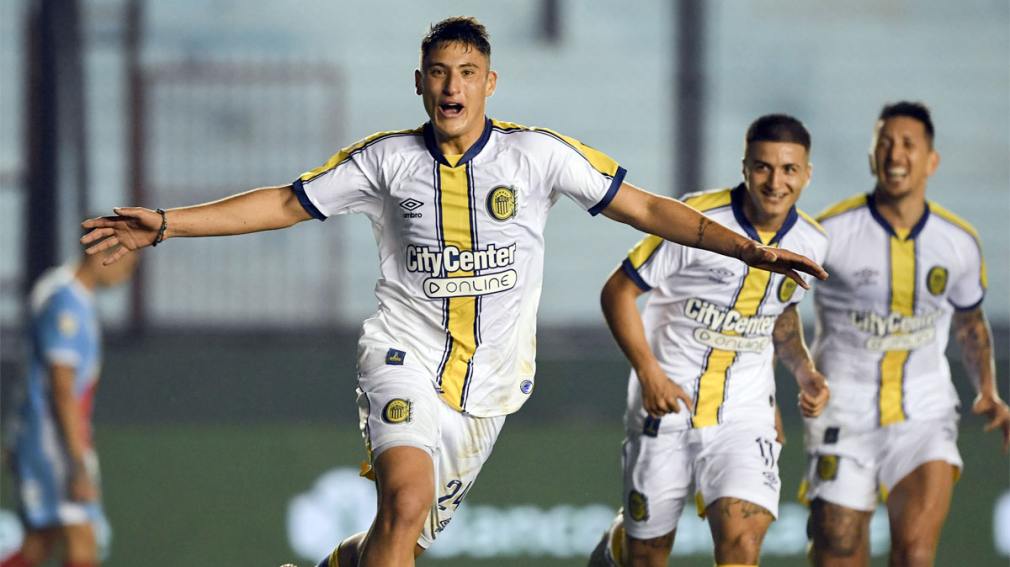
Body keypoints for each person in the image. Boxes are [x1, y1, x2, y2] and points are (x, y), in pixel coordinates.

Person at [79, 17, 826, 567]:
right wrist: (166, 224)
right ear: (419, 82)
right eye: (438, 72)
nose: (451, 86)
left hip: (489, 386)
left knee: (399, 539)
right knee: (404, 502)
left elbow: (649, 209)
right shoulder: (385, 162)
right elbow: (283, 201)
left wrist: (746, 249)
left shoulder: (538, 157)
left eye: (467, 72)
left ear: (489, 83)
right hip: (402, 353)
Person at [586, 114, 830, 567]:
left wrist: (803, 372)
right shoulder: (696, 220)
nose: (775, 182)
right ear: (744, 167)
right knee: (646, 555)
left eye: (789, 170)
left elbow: (779, 315)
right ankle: (615, 549)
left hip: (744, 414)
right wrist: (650, 374)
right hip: (667, 404)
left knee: (742, 543)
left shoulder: (812, 242)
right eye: (763, 167)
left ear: (807, 174)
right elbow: (617, 291)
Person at [801, 101, 1010, 566]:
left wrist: (987, 390)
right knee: (837, 548)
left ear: (931, 160)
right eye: (886, 143)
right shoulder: (828, 233)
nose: (896, 154)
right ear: (872, 157)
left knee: (915, 553)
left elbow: (970, 322)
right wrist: (794, 371)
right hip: (843, 409)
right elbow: (778, 305)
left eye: (908, 144)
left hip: (923, 410)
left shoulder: (957, 242)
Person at [1, 247, 138, 567]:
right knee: (82, 538)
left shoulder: (67, 293)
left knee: (39, 542)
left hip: (46, 437)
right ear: (104, 252)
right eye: (128, 262)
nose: (127, 274)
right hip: (51, 442)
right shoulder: (67, 301)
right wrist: (77, 463)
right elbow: (62, 389)